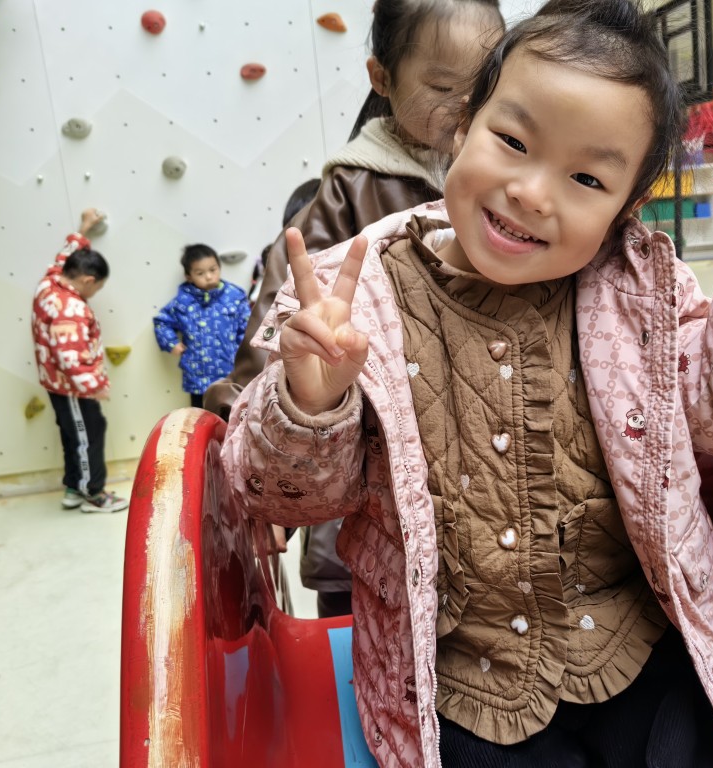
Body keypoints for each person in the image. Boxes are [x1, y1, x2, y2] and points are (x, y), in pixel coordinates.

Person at [222, 1, 713, 764]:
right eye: (513, 141)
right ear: (461, 126)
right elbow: (282, 499)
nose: (532, 192)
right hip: (456, 681)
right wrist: (312, 404)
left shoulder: (641, 294)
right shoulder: (367, 300)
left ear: (625, 206)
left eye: (586, 177)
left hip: (635, 652)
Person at [205, 0, 505, 620]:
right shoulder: (352, 188)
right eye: (441, 87)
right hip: (372, 448)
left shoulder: (508, 174)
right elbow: (288, 312)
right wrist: (254, 442)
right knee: (362, 601)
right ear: (382, 78)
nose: (465, 107)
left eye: (484, 86)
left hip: (478, 444)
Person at [32, 208, 128, 513]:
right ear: (88, 280)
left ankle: (74, 487)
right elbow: (70, 357)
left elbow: (64, 256)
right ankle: (93, 494)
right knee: (89, 434)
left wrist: (83, 229)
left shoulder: (50, 282)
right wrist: (95, 386)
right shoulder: (70, 310)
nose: (96, 292)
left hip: (58, 384)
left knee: (75, 435)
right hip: (72, 387)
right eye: (97, 287)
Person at [153, 245, 250, 408]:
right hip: (197, 375)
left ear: (219, 267)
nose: (209, 276)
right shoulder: (183, 302)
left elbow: (247, 328)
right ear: (189, 276)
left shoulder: (234, 297)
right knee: (199, 417)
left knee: (231, 414)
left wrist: (245, 356)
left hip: (230, 374)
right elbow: (162, 322)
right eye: (200, 273)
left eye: (213, 270)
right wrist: (171, 343)